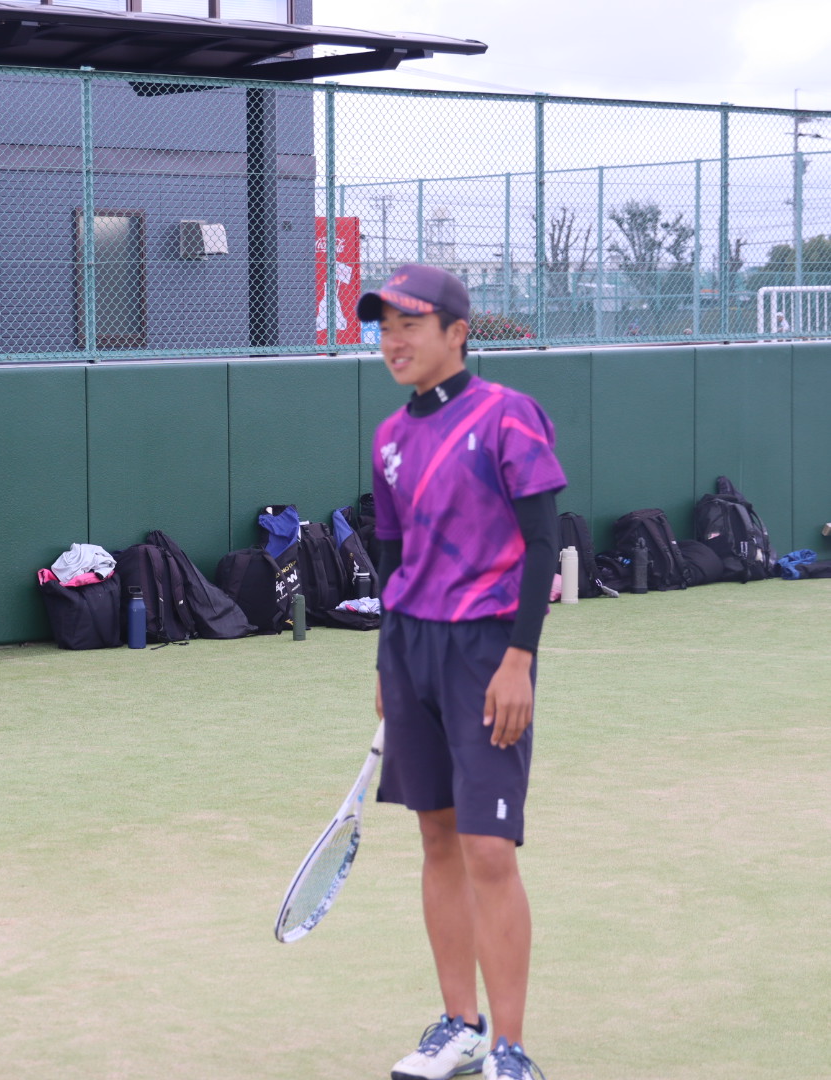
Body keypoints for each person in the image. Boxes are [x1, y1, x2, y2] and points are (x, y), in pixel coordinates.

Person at [361, 266, 564, 1080]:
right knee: (436, 836)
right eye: (384, 328)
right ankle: (459, 1028)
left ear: (457, 332)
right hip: (410, 647)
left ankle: (511, 1048)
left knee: (488, 848)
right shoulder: (388, 437)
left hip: (486, 650)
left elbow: (544, 544)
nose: (394, 341)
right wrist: (386, 660)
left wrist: (519, 658)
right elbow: (392, 557)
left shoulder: (510, 415)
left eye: (410, 324)